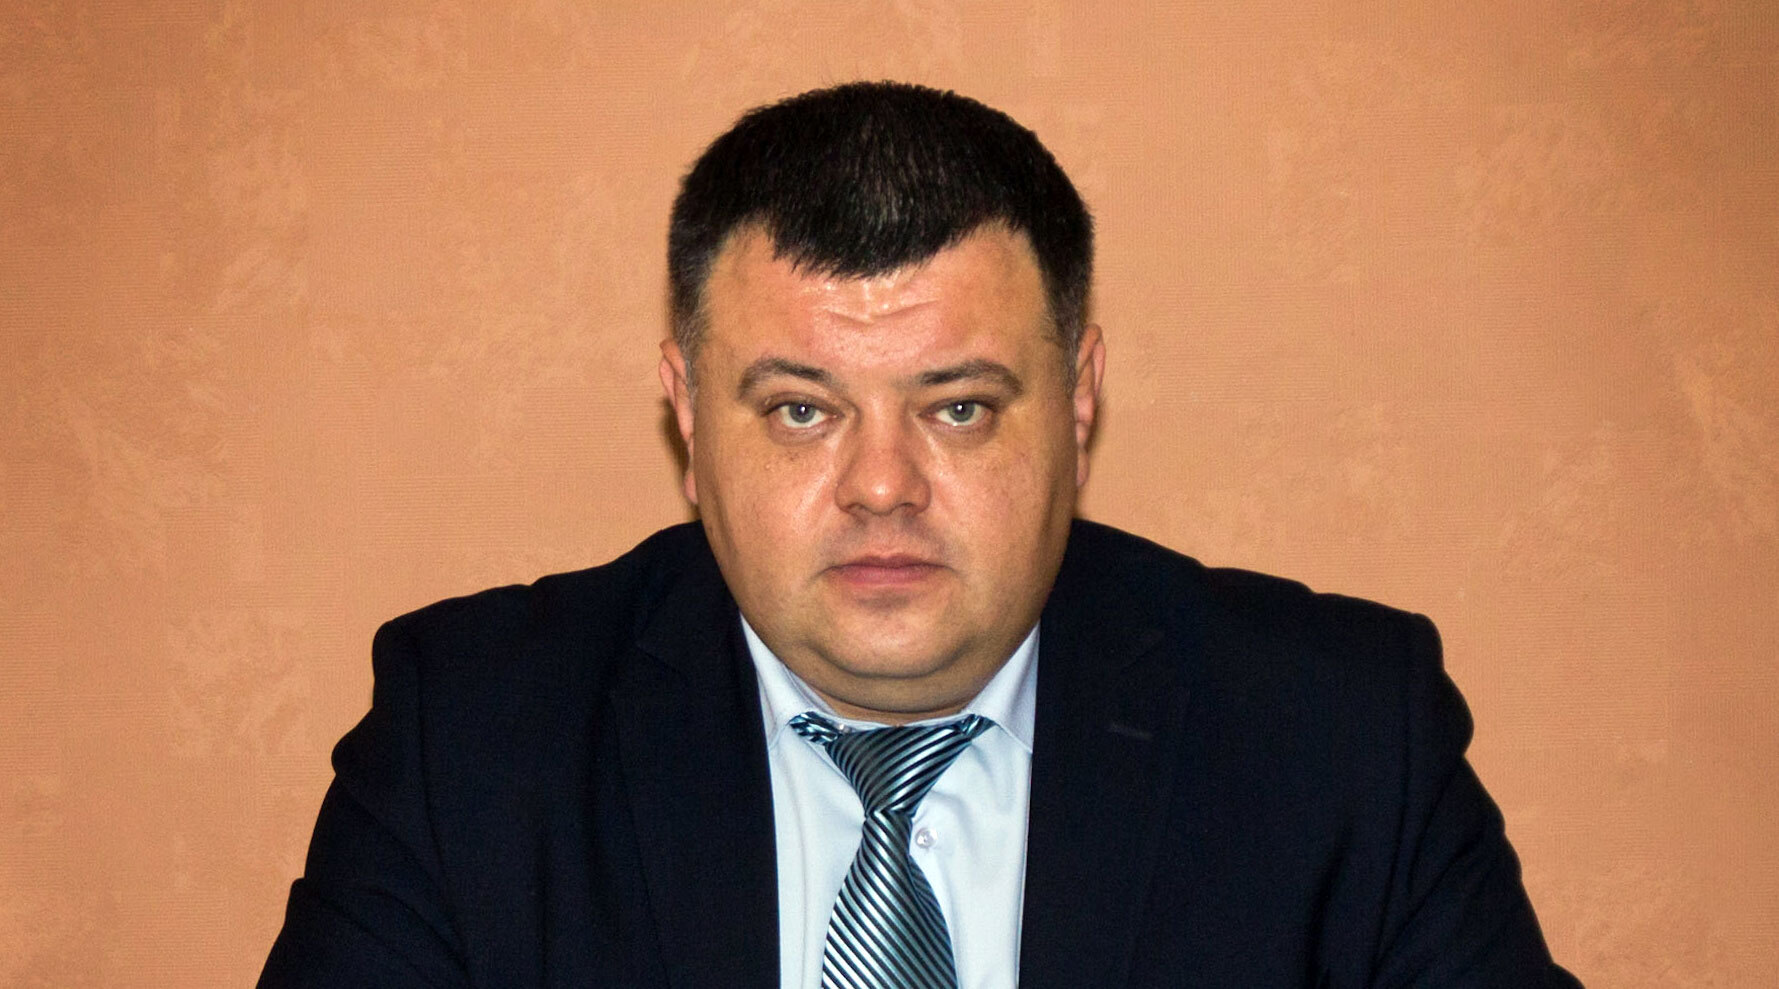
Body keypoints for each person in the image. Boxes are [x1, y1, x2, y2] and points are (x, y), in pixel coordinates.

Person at [260, 81, 1581, 988]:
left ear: (1078, 399)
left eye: (958, 408)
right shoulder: (472, 741)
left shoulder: (1340, 739)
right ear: (688, 415)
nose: (882, 487)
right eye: (801, 410)